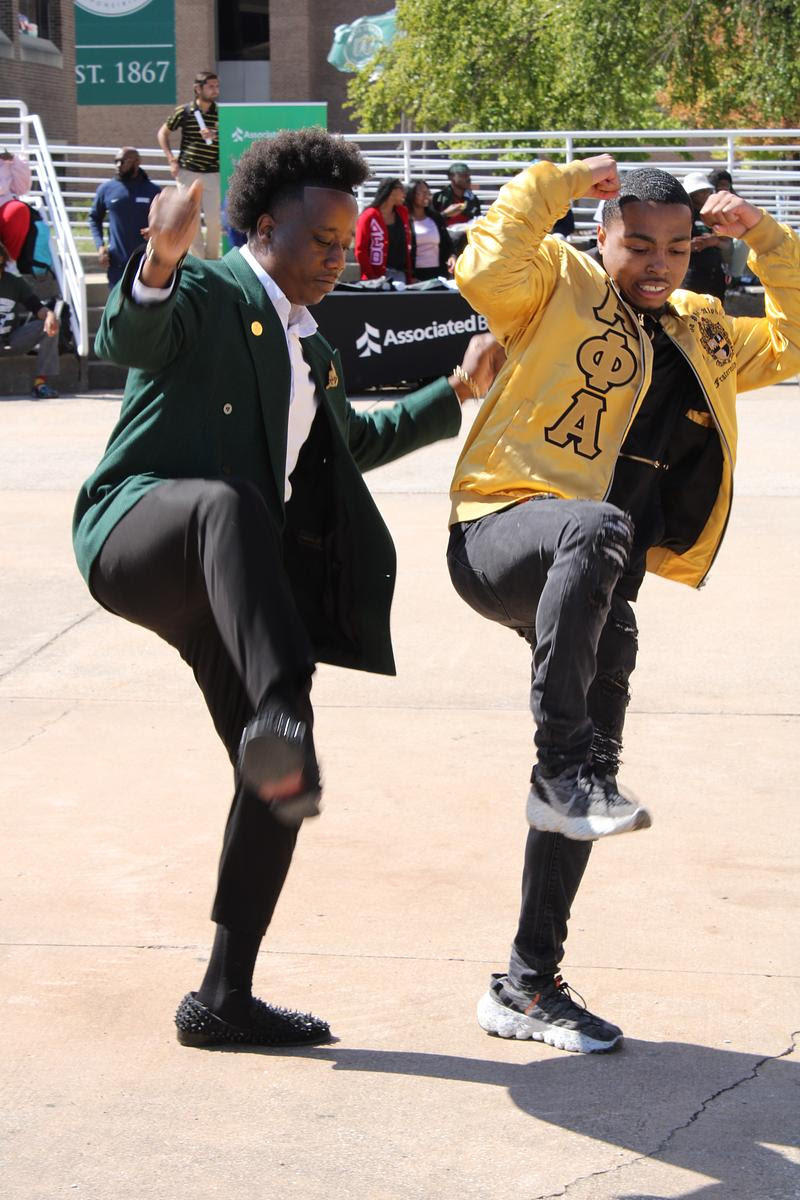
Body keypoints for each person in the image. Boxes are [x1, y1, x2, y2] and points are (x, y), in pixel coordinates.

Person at [73, 129, 499, 1051]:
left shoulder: (312, 348)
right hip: (139, 532)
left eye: (347, 242)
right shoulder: (212, 289)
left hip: (221, 585)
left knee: (284, 776)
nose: (339, 258)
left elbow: (356, 443)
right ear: (264, 229)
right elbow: (130, 336)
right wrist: (160, 260)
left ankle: (224, 997)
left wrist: (456, 390)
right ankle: (278, 698)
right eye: (322, 241)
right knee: (230, 506)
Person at [447, 153, 800, 1053]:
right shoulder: (555, 284)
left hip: (599, 583)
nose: (657, 264)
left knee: (590, 785)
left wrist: (764, 237)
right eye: (638, 244)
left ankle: (527, 983)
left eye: (676, 249)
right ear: (603, 237)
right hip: (500, 533)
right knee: (596, 532)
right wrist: (561, 181)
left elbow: (797, 335)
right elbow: (483, 266)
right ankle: (562, 764)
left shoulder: (704, 329)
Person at [157, 70, 220, 259]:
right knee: (190, 220)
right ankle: (198, 261)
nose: (215, 90)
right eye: (210, 86)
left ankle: (212, 261)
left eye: (217, 86)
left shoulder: (221, 113)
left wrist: (215, 135)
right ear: (197, 89)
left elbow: (231, 135)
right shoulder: (183, 112)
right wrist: (171, 159)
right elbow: (162, 133)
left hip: (213, 173)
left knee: (214, 220)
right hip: (187, 172)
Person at [88, 148, 161, 288]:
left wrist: (154, 229)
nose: (118, 165)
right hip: (118, 264)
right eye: (116, 161)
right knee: (118, 301)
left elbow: (164, 221)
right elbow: (94, 218)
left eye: (123, 161)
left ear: (137, 162)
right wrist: (100, 246)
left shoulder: (153, 191)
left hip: (147, 262)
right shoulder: (106, 189)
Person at [0, 238, 60, 397]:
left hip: (10, 341)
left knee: (51, 323)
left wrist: (49, 315)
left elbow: (36, 307)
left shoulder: (14, 283)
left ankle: (40, 384)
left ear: (1, 258)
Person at [354, 177, 413, 283]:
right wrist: (372, 278)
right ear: (392, 191)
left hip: (401, 274)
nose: (404, 193)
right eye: (402, 189)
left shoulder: (402, 212)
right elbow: (360, 250)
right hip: (376, 276)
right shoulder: (369, 216)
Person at [681, 170, 729, 301]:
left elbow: (727, 244)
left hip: (715, 272)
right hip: (692, 271)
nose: (705, 194)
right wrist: (692, 245)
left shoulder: (714, 213)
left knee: (716, 309)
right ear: (691, 193)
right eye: (700, 191)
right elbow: (673, 245)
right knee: (691, 307)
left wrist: (714, 241)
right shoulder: (683, 215)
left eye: (707, 190)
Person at [405, 179, 454, 280]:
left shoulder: (436, 218)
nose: (426, 196)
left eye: (428, 193)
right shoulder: (404, 220)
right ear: (411, 195)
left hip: (438, 273)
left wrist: (452, 256)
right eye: (422, 193)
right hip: (415, 275)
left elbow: (448, 244)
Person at [0, 148, 32, 266]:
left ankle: (9, 263)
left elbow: (22, 189)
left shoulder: (6, 160)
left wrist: (13, 160)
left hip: (3, 202)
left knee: (18, 210)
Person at [432, 162, 481, 228]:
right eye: (463, 175)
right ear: (451, 177)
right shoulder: (439, 198)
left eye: (468, 175)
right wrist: (445, 214)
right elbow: (430, 222)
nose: (467, 178)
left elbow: (478, 220)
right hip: (446, 233)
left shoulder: (473, 199)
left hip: (467, 233)